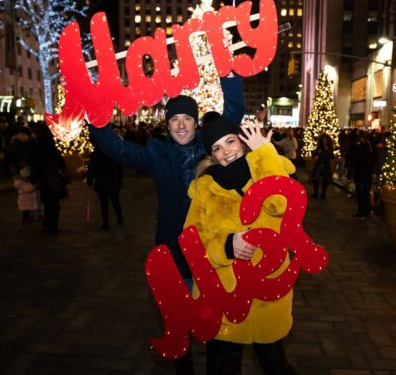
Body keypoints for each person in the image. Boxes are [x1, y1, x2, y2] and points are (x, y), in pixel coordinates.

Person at [89, 74, 245, 374]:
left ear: (196, 122)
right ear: (167, 123)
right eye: (176, 119)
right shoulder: (155, 152)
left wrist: (228, 73)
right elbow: (116, 148)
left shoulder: (208, 145)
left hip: (214, 254)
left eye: (188, 118)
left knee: (219, 325)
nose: (182, 125)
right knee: (179, 328)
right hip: (174, 254)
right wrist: (96, 116)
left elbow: (233, 112)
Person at [185, 117, 296, 375]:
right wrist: (226, 245)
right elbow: (192, 238)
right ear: (212, 155)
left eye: (230, 141)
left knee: (275, 365)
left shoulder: (270, 165)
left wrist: (263, 154)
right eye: (217, 148)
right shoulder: (204, 187)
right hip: (222, 295)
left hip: (266, 290)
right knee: (219, 367)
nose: (226, 151)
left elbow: (280, 204)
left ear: (242, 141)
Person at [30, 123, 69, 234]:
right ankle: (54, 224)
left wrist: (35, 178)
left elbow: (34, 163)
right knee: (55, 203)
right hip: (55, 178)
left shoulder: (37, 147)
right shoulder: (51, 145)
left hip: (44, 178)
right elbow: (61, 162)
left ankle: (48, 222)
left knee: (47, 202)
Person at [86, 140, 124, 229]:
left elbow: (91, 169)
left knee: (104, 203)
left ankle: (106, 222)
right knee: (115, 200)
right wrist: (120, 180)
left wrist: (90, 180)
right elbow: (119, 168)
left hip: (101, 182)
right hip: (112, 180)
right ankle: (119, 218)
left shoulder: (95, 155)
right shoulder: (111, 153)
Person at [350, 131, 376, 220]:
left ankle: (361, 212)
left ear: (361, 138)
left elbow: (355, 161)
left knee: (361, 194)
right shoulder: (370, 148)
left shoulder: (359, 148)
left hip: (360, 174)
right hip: (367, 174)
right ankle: (367, 210)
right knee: (365, 193)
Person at [311, 134, 334, 199]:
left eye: (325, 140)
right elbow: (314, 155)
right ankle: (316, 193)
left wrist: (327, 150)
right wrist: (316, 152)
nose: (324, 141)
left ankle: (323, 193)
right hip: (319, 164)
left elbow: (332, 156)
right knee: (315, 178)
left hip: (326, 165)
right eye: (323, 140)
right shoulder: (319, 147)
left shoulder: (329, 147)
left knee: (325, 179)